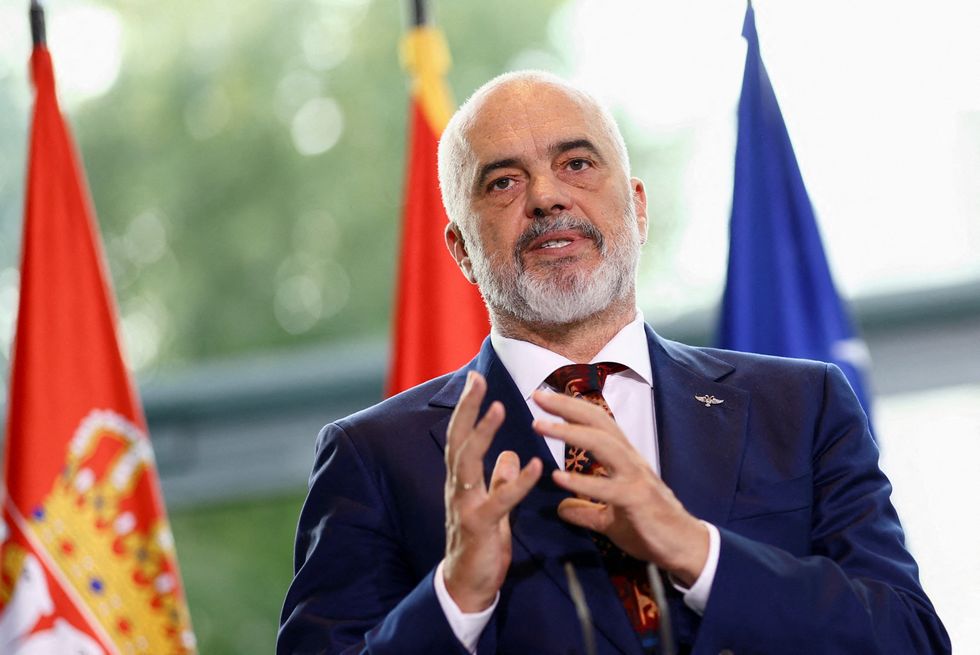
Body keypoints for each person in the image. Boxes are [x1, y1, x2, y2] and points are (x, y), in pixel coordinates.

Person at [277, 71, 950, 655]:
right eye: (504, 181)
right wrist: (456, 596)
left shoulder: (801, 408)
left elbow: (907, 638)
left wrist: (696, 549)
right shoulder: (375, 455)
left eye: (576, 163)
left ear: (637, 206)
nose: (546, 197)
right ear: (459, 250)